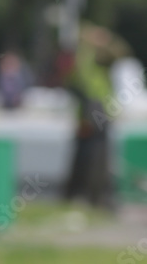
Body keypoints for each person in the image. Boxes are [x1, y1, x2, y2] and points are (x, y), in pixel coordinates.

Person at [62, 23, 128, 210]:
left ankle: (94, 197)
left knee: (98, 157)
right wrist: (91, 42)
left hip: (100, 109)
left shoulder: (101, 57)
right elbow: (79, 79)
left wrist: (105, 41)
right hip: (90, 110)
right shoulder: (83, 56)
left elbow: (121, 52)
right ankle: (85, 196)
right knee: (88, 157)